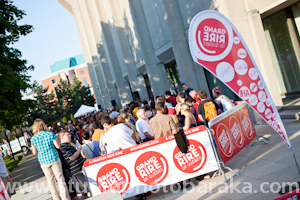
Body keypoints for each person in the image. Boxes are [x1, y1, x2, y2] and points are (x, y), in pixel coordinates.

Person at [30, 119, 71, 200]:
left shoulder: (33, 139)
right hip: (54, 158)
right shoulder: (50, 134)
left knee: (50, 182)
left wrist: (32, 149)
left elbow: (34, 153)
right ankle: (65, 198)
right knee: (60, 179)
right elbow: (58, 146)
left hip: (43, 161)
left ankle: (56, 198)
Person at [59, 131, 86, 200]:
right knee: (84, 190)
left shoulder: (68, 145)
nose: (70, 136)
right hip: (76, 172)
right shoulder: (63, 148)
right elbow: (72, 157)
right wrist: (79, 149)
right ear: (62, 137)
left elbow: (76, 146)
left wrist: (71, 142)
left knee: (81, 191)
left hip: (78, 170)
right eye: (67, 135)